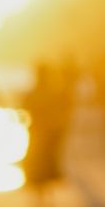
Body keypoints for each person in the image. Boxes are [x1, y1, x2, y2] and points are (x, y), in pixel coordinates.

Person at [22, 59, 75, 189]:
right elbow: (64, 107)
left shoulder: (37, 92)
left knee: (39, 160)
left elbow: (26, 107)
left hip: (40, 130)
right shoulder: (53, 91)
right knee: (44, 160)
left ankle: (41, 188)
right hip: (47, 130)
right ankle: (43, 188)